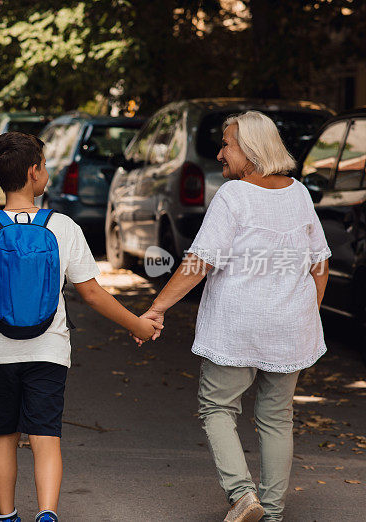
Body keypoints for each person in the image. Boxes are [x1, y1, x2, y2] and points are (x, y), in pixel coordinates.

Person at [0, 132, 162, 522]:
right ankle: (47, 512)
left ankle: (6, 514)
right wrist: (139, 325)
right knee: (45, 435)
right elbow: (93, 294)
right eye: (45, 166)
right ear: (34, 173)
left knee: (4, 434)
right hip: (49, 351)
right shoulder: (62, 226)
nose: (47, 172)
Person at [138, 111, 331, 522]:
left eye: (227, 144)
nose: (221, 153)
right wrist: (304, 314)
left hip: (238, 324)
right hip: (290, 326)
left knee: (217, 407)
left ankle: (244, 495)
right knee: (278, 417)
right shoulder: (298, 194)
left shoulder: (234, 196)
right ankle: (274, 514)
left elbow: (198, 262)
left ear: (252, 149)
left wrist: (157, 307)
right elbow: (320, 265)